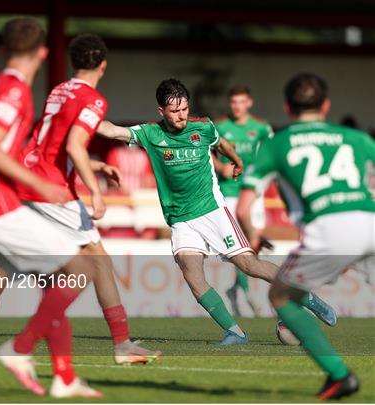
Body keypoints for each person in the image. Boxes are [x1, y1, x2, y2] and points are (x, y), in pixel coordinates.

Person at [0, 33, 161, 366]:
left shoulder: (58, 90)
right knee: (99, 263)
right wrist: (94, 189)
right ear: (104, 65)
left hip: (28, 179)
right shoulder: (93, 99)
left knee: (10, 262)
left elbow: (49, 143)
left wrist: (93, 165)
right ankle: (121, 344)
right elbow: (74, 145)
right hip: (53, 190)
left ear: (71, 61)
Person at [96, 78, 336, 345]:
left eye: (184, 109)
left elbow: (221, 145)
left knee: (249, 265)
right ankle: (235, 332)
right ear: (161, 111)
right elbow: (112, 130)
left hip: (213, 211)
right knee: (192, 275)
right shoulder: (151, 134)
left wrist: (236, 161)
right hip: (181, 220)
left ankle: (306, 296)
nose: (181, 116)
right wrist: (83, 118)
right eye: (174, 111)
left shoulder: (204, 128)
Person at [0, 18, 101, 398]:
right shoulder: (14, 91)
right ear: (43, 53)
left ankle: (64, 378)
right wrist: (36, 183)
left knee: (54, 284)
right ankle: (19, 349)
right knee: (81, 268)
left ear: (4, 51)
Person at [237, 73, 374, 400]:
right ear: (326, 105)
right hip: (370, 221)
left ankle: (340, 375)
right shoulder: (356, 138)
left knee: (281, 297)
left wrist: (254, 233)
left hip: (329, 230)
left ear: (287, 107)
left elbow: (244, 208)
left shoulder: (276, 143)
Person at [213, 84, 274, 316]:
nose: (237, 106)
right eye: (233, 102)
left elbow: (270, 154)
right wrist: (220, 166)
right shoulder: (219, 127)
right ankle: (248, 291)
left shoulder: (261, 128)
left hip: (253, 192)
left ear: (249, 103)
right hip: (229, 191)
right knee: (241, 245)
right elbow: (206, 149)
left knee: (254, 244)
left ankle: (238, 288)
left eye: (242, 102)